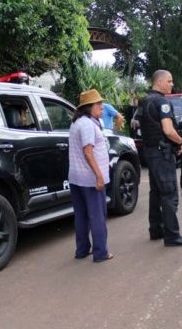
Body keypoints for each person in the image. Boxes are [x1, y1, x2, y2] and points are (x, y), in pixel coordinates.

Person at [139, 70, 182, 246]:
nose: (172, 84)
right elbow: (168, 130)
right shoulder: (162, 102)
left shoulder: (144, 100)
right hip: (162, 153)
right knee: (169, 194)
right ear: (159, 82)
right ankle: (172, 235)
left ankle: (156, 230)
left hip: (149, 152)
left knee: (156, 192)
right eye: (169, 81)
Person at [68, 89, 114, 262]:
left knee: (81, 215)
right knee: (97, 216)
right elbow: (88, 152)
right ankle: (101, 252)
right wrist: (99, 175)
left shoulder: (77, 123)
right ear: (89, 107)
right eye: (98, 104)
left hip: (76, 178)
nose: (102, 107)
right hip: (90, 179)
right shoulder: (87, 124)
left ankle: (82, 249)